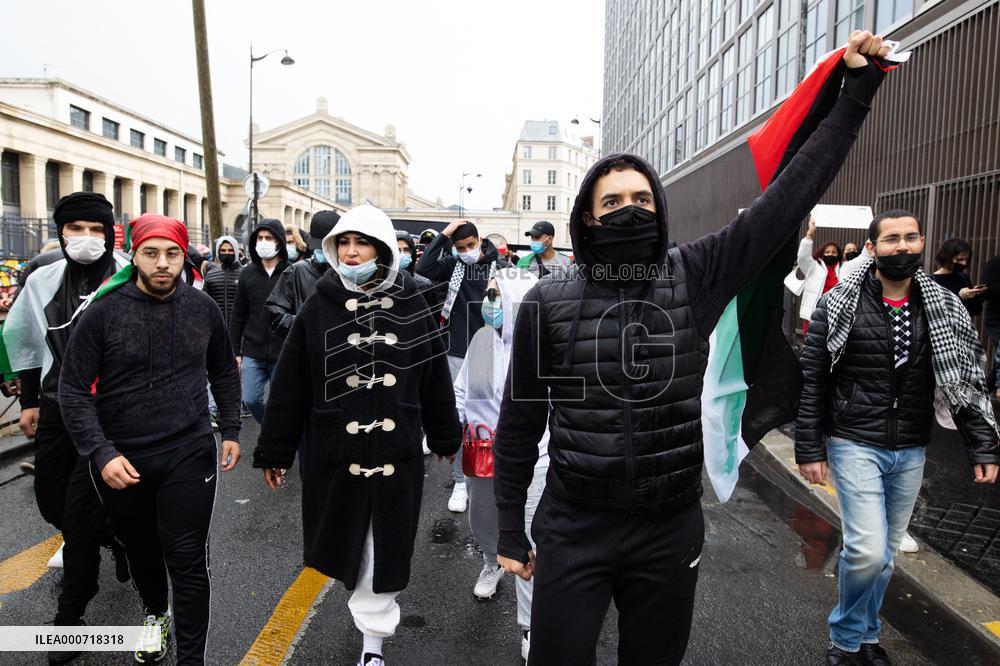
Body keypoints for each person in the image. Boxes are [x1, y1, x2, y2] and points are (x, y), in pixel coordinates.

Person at [493, 33, 894, 665]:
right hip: (575, 526)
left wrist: (855, 95)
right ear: (588, 219)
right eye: (613, 202)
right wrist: (511, 527)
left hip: (667, 528)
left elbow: (787, 197)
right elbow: (519, 425)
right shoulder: (549, 301)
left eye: (642, 198)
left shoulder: (695, 273)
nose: (631, 209)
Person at [254, 204, 461, 666]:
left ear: (383, 249)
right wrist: (275, 449)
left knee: (381, 546)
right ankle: (367, 619)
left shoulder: (412, 301)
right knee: (349, 541)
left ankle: (373, 642)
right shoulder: (318, 302)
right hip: (334, 449)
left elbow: (434, 378)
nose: (350, 253)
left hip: (396, 450)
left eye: (361, 243)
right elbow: (290, 384)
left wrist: (446, 436)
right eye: (343, 243)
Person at [796, 210, 999, 666]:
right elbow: (813, 383)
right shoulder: (839, 303)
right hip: (854, 442)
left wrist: (982, 445)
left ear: (922, 243)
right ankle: (846, 641)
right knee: (867, 550)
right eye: (891, 239)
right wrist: (809, 448)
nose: (902, 246)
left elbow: (965, 381)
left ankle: (867, 634)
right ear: (872, 248)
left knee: (885, 556)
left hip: (910, 446)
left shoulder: (942, 307)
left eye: (911, 237)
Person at [58, 214, 242, 665]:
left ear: (184, 256)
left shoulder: (203, 309)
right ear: (134, 255)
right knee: (139, 546)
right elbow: (73, 389)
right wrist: (101, 453)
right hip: (123, 459)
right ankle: (155, 614)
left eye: (172, 253)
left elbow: (222, 370)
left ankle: (191, 660)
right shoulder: (103, 311)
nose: (163, 263)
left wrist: (232, 429)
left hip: (189, 449)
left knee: (187, 557)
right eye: (151, 253)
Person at [1, 192, 132, 664]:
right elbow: (24, 337)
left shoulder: (129, 274)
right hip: (57, 408)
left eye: (96, 229)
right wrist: (31, 402)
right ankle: (113, 539)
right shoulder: (43, 279)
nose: (86, 239)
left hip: (107, 414)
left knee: (77, 517)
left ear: (110, 231)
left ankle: (69, 620)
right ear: (60, 232)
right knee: (50, 503)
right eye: (75, 229)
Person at [416, 219, 509, 513]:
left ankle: (495, 473)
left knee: (489, 419)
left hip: (490, 351)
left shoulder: (502, 268)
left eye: (470, 245)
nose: (466, 251)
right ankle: (459, 482)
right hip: (456, 350)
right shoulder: (453, 267)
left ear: (480, 241)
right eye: (460, 248)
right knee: (458, 418)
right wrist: (443, 235)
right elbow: (423, 270)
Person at [229, 218, 289, 424]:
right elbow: (238, 314)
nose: (263, 242)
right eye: (260, 238)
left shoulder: (291, 272)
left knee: (283, 401)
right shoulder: (248, 273)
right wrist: (235, 351)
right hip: (252, 351)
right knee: (251, 399)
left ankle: (283, 437)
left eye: (269, 238)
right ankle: (273, 429)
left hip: (283, 350)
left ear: (279, 241)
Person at [786, 216, 869, 334]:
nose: (831, 254)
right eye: (827, 252)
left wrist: (873, 234)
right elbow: (803, 257)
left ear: (839, 254)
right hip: (814, 316)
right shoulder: (813, 267)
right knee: (813, 347)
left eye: (834, 252)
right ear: (822, 253)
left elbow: (863, 259)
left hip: (838, 317)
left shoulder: (845, 267)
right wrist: (809, 235)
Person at [266, 211, 341, 336]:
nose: (323, 251)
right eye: (320, 247)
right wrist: (306, 323)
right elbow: (275, 314)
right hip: (304, 350)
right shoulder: (296, 271)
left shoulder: (348, 273)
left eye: (327, 247)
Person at [931, 238, 985, 317]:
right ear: (947, 257)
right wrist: (960, 296)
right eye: (960, 259)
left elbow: (975, 311)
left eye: (966, 259)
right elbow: (935, 310)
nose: (964, 263)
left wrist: (975, 296)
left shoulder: (963, 277)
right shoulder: (932, 280)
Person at [203, 235, 243, 324]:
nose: (227, 253)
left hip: (239, 329)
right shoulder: (211, 275)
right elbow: (204, 302)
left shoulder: (245, 274)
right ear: (218, 252)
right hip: (217, 327)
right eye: (223, 250)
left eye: (230, 250)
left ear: (236, 251)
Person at [982, 252, 1000, 397]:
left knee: (997, 366)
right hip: (996, 317)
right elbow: (986, 290)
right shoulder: (994, 263)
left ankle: (980, 393)